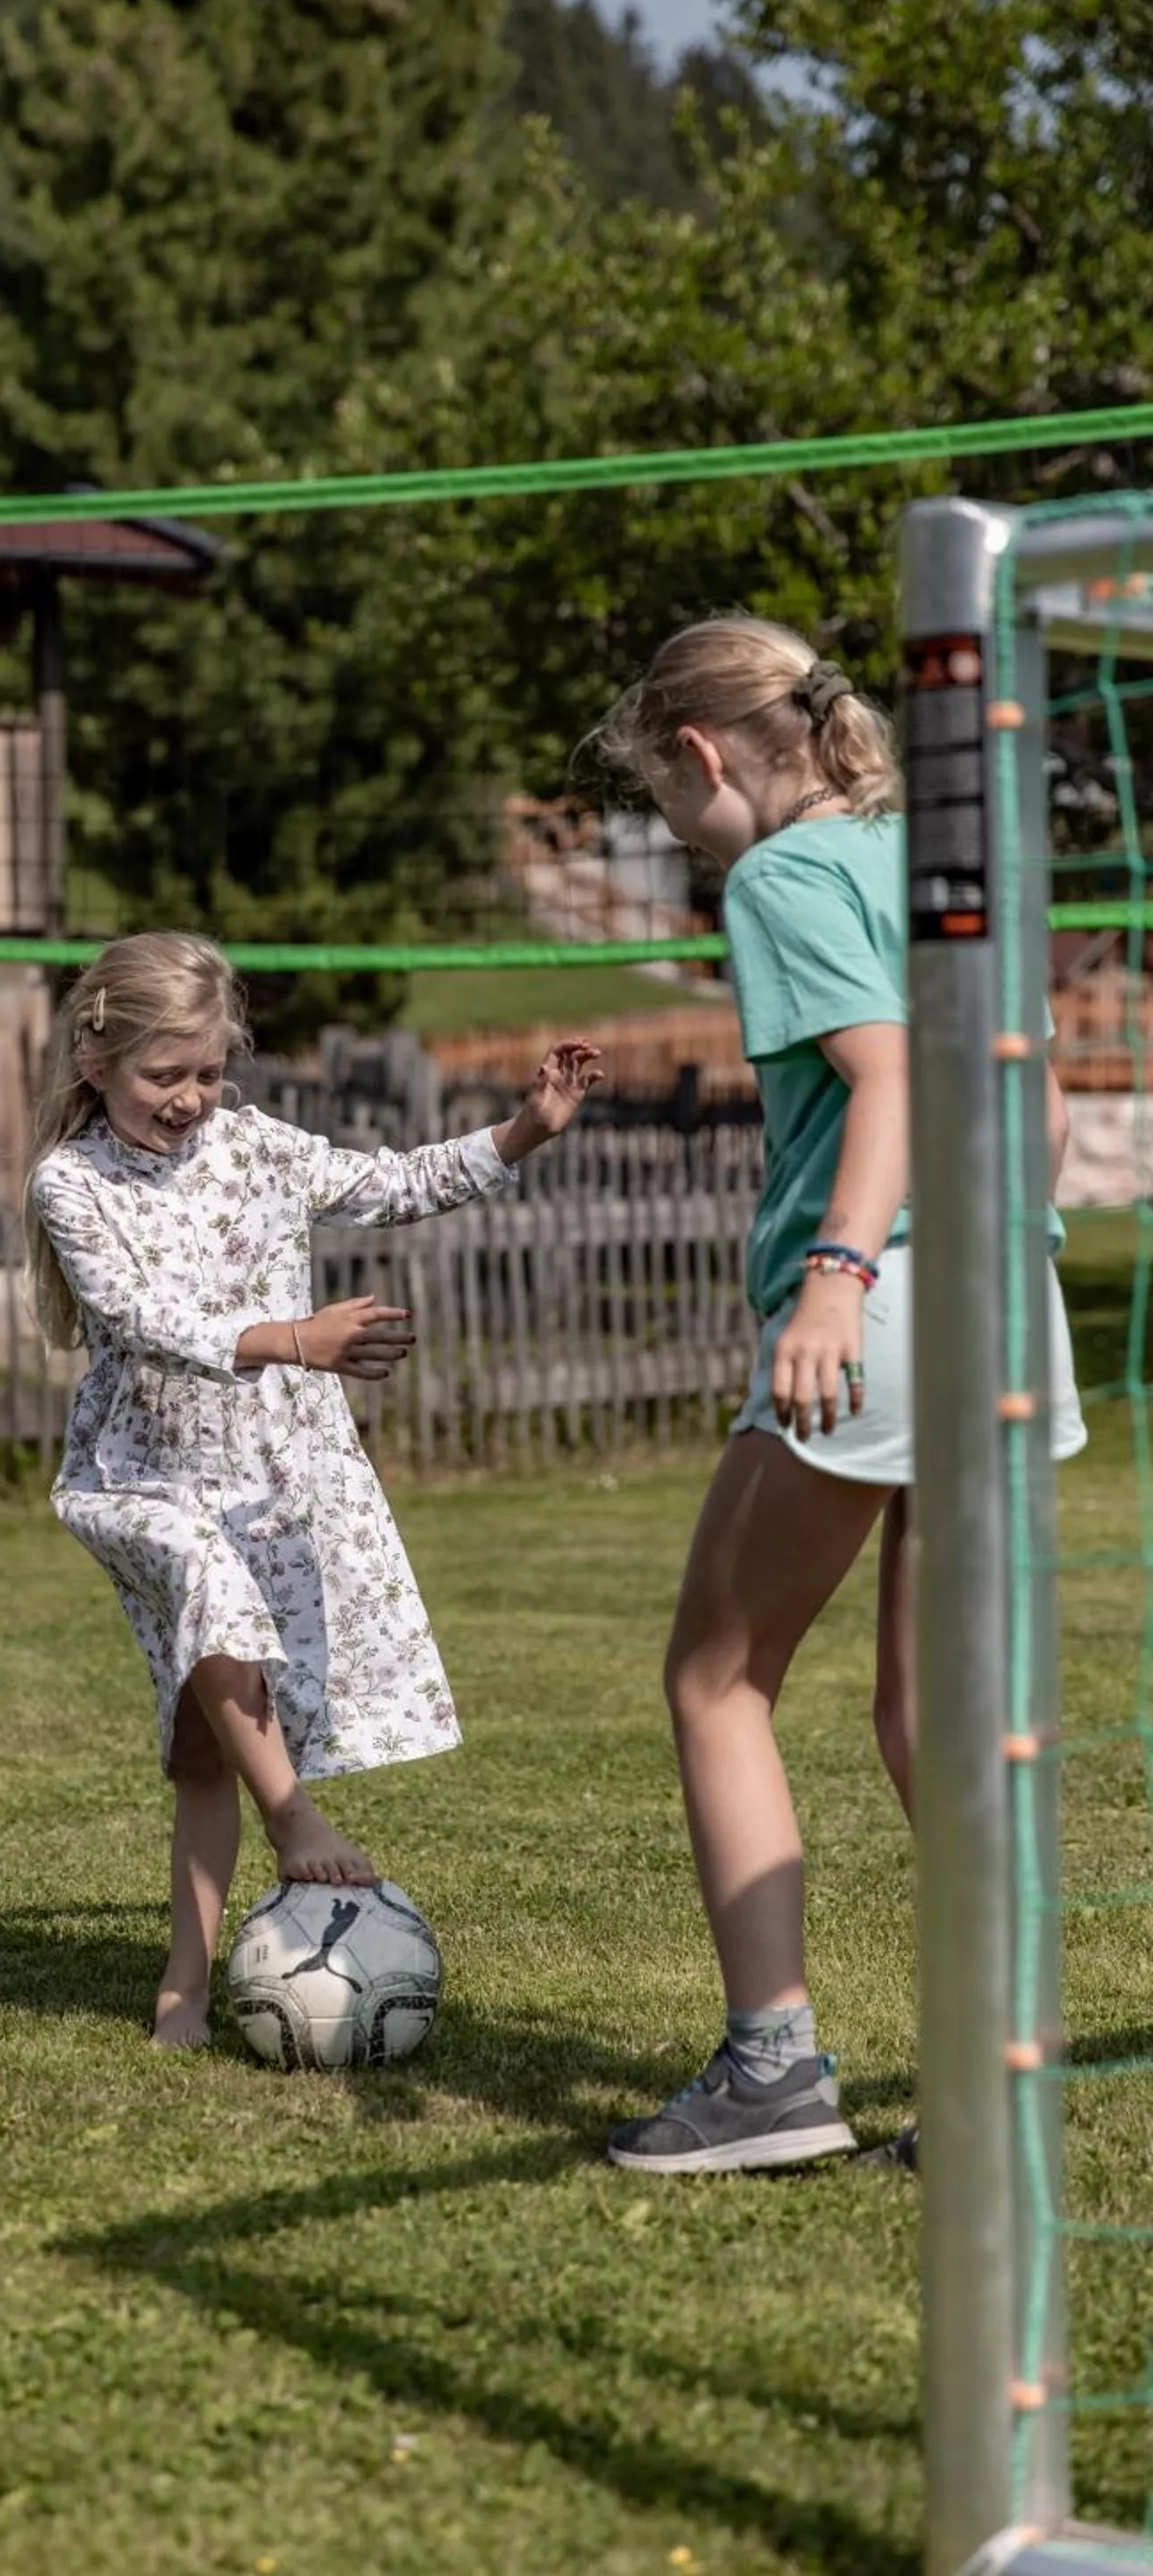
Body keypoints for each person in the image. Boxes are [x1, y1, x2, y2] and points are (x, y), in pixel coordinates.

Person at [594, 615, 1085, 2175]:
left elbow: (886, 1076)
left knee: (716, 1677)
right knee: (936, 1714)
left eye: (674, 813)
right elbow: (1037, 1099)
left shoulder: (787, 875)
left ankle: (772, 2077)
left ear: (703, 754)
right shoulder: (945, 859)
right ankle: (990, 2082)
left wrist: (838, 1279)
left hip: (881, 1306)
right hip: (1011, 1296)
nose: (689, 843)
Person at [24, 930, 601, 2048]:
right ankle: (291, 1815)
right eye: (163, 1076)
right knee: (206, 1589)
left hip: (275, 1474)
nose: (190, 1099)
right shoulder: (71, 1182)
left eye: (205, 1073)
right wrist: (297, 1339)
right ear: (96, 1061)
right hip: (143, 1474)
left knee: (205, 1746)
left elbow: (388, 1185)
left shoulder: (256, 1144)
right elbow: (144, 1324)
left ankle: (181, 1993)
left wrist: (523, 1130)